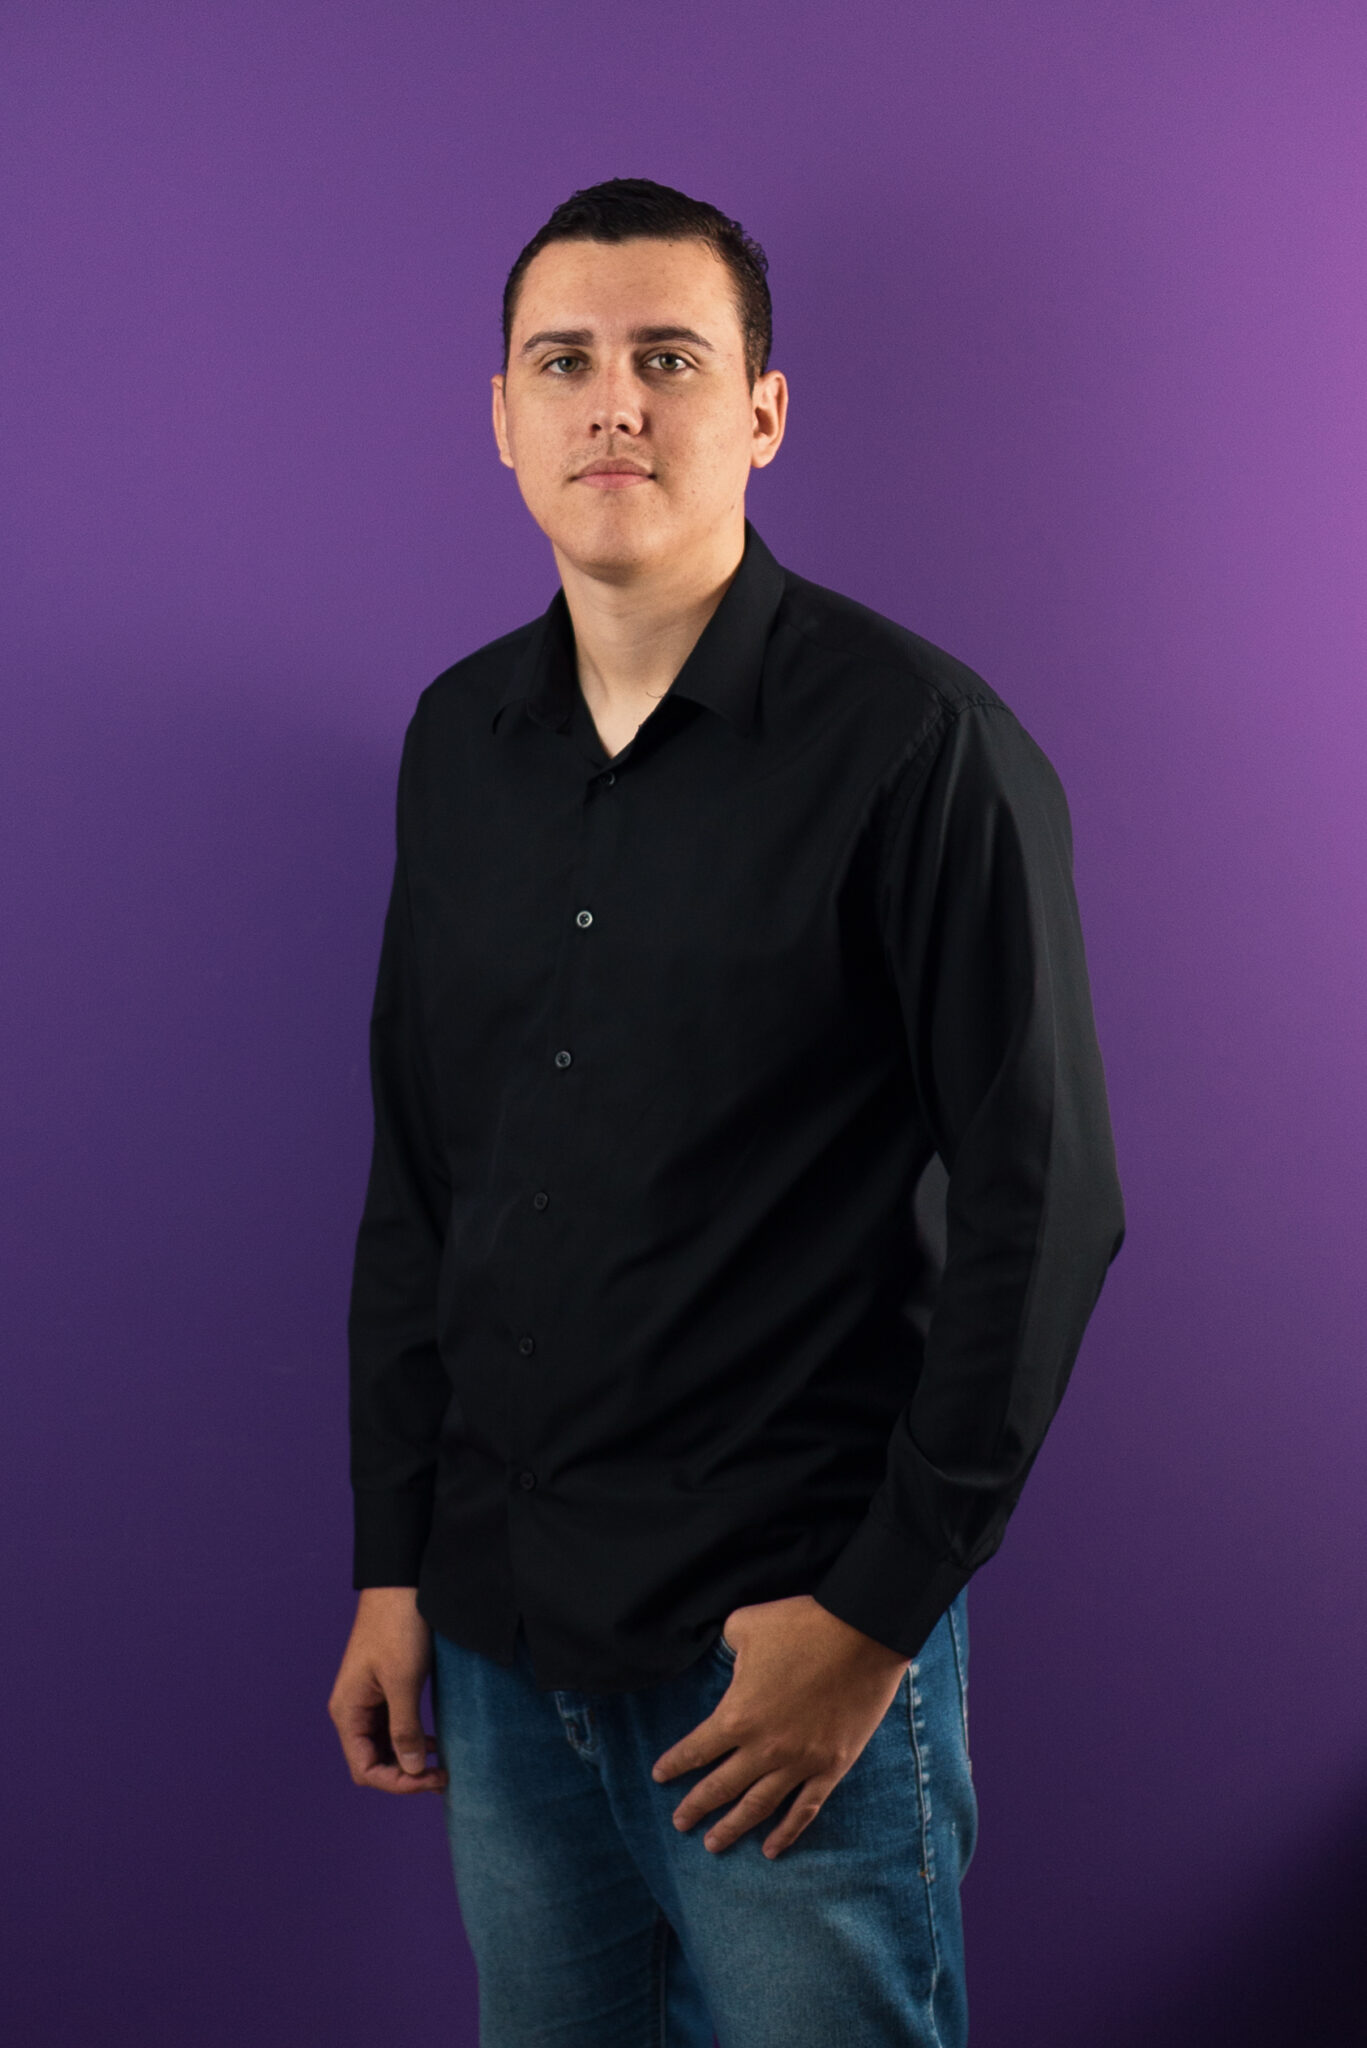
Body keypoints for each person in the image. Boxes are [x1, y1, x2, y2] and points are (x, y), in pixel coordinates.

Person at [327, 176, 1126, 2047]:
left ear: (761, 411)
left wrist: (875, 1620)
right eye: (565, 362)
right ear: (502, 415)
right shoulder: (455, 747)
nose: (614, 402)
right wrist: (392, 1557)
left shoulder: (921, 749)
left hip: (782, 1653)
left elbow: (1048, 1208)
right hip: (500, 1639)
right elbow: (423, 1180)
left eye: (669, 359)